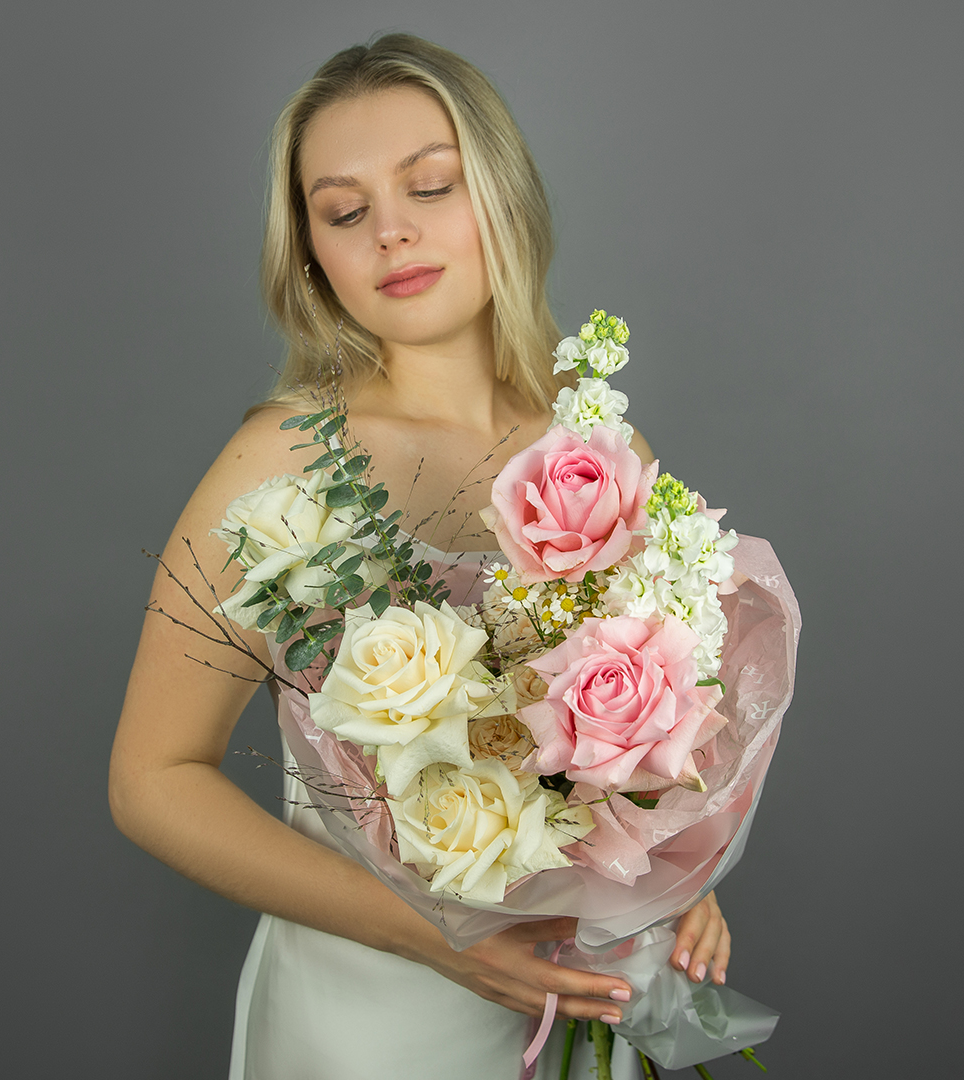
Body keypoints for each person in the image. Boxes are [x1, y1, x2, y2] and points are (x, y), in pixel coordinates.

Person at [109, 33, 731, 1080]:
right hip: (368, 1022)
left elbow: (658, 725)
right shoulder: (282, 462)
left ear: (502, 196)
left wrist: (678, 868)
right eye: (344, 212)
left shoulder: (600, 449)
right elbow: (151, 779)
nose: (392, 230)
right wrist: (438, 938)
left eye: (431, 186)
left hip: (587, 991)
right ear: (311, 253)